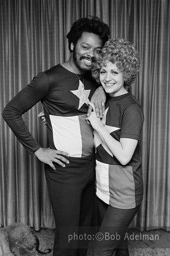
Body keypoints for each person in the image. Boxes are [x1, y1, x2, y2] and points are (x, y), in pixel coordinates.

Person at [2, 17, 110, 256]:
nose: (91, 54)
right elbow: (10, 111)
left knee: (84, 232)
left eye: (97, 50)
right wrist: (38, 150)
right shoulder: (48, 78)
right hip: (65, 170)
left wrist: (102, 88)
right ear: (72, 45)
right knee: (68, 236)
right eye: (85, 46)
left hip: (93, 166)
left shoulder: (98, 78)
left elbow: (122, 89)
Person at [86, 38, 144, 256]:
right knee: (118, 249)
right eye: (103, 71)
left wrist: (98, 126)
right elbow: (96, 146)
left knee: (100, 251)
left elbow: (124, 156)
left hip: (124, 194)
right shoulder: (104, 102)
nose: (107, 78)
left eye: (115, 72)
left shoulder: (132, 109)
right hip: (103, 190)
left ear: (126, 75)